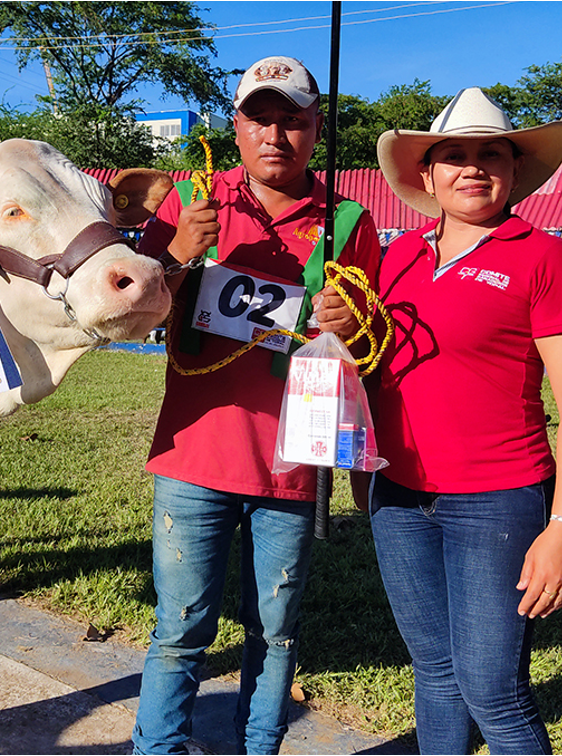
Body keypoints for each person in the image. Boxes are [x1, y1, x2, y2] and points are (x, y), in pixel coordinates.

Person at [131, 55, 382, 756]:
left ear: (315, 128)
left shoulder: (350, 221)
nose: (277, 135)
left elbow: (370, 345)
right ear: (236, 127)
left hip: (293, 471)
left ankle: (258, 747)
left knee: (275, 634)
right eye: (261, 119)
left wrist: (349, 320)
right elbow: (130, 314)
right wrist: (178, 254)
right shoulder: (191, 200)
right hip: (193, 459)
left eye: (293, 120)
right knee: (179, 628)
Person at [370, 87, 562, 754]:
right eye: (455, 156)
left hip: (497, 502)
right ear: (428, 173)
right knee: (436, 674)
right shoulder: (396, 259)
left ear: (513, 170)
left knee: (492, 689)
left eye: (490, 155)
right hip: (399, 498)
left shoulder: (545, 259)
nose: (473, 168)